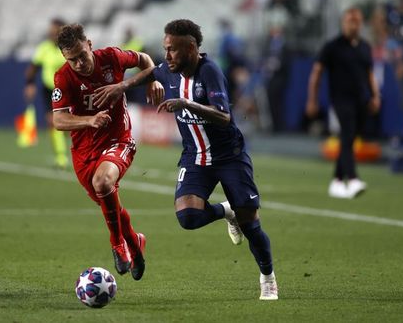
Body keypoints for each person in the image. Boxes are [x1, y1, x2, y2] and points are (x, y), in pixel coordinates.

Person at [95, 19, 278, 300]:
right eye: (165, 49)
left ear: (191, 48)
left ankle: (267, 276)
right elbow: (149, 72)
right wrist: (122, 86)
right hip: (195, 157)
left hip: (229, 156)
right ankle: (225, 212)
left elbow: (224, 115)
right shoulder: (168, 70)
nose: (166, 56)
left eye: (172, 50)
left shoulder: (210, 72)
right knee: (188, 217)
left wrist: (187, 104)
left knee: (251, 224)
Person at [51, 23, 164, 280]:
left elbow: (145, 59)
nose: (79, 63)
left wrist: (151, 80)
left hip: (119, 139)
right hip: (83, 152)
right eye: (73, 60)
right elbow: (59, 120)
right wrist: (88, 121)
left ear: (90, 44)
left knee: (103, 182)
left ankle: (117, 243)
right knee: (107, 199)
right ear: (64, 58)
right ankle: (135, 242)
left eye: (82, 55)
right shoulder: (63, 77)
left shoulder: (111, 57)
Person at [306, 8, 381, 199]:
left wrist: (375, 96)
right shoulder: (333, 46)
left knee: (349, 138)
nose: (353, 25)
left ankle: (337, 181)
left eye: (356, 21)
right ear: (343, 23)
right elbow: (317, 73)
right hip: (340, 99)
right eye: (349, 21)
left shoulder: (365, 46)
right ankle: (353, 178)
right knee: (347, 134)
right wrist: (312, 99)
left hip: (361, 99)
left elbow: (370, 74)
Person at [24, 18, 69, 168]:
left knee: (71, 125)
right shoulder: (44, 48)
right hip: (50, 90)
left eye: (54, 32)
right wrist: (29, 84)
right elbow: (33, 67)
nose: (51, 35)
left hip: (68, 89)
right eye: (50, 32)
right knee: (53, 122)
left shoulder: (69, 48)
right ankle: (61, 156)